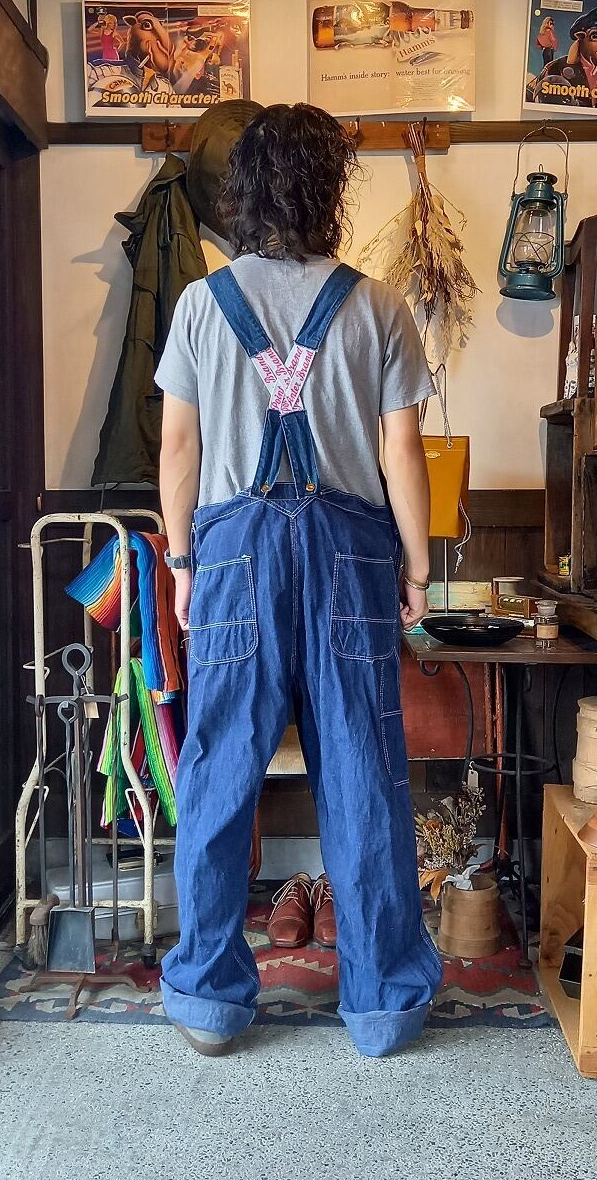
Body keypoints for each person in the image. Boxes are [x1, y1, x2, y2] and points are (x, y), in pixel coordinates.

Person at [154, 102, 442, 1059]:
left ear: (241, 190)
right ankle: (382, 1004)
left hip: (232, 558)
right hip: (350, 557)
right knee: (362, 770)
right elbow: (403, 453)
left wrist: (183, 564)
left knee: (218, 771)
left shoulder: (202, 306)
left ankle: (208, 998)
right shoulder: (379, 306)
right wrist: (419, 566)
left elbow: (179, 448)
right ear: (330, 189)